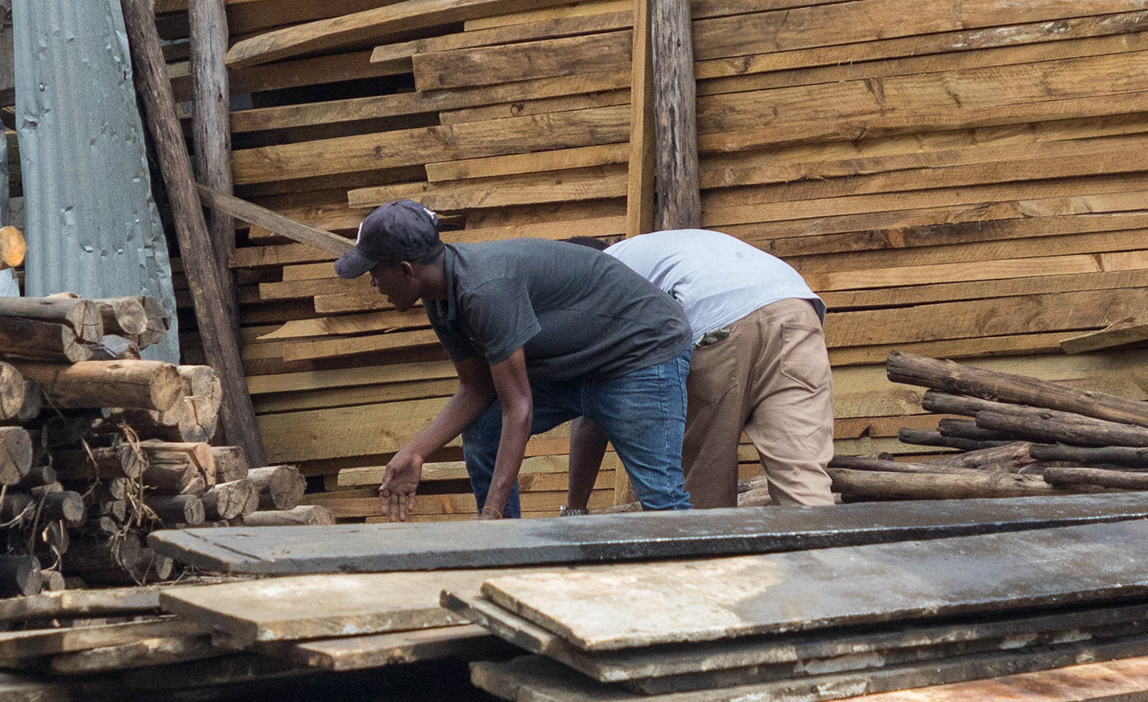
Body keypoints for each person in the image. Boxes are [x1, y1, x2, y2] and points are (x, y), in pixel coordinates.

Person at [341, 199, 695, 521]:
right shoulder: (439, 298)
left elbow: (519, 408)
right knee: (484, 430)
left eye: (373, 272)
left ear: (406, 271)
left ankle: (495, 526)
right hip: (577, 364)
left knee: (663, 502)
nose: (373, 283)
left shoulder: (483, 290)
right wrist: (416, 452)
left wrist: (491, 511)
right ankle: (506, 543)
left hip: (639, 353)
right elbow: (476, 388)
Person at [565, 227, 838, 510]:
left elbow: (590, 414)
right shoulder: (667, 248)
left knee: (700, 495)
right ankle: (824, 538)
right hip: (796, 312)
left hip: (716, 324)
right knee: (805, 488)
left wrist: (574, 508)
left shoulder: (597, 272)